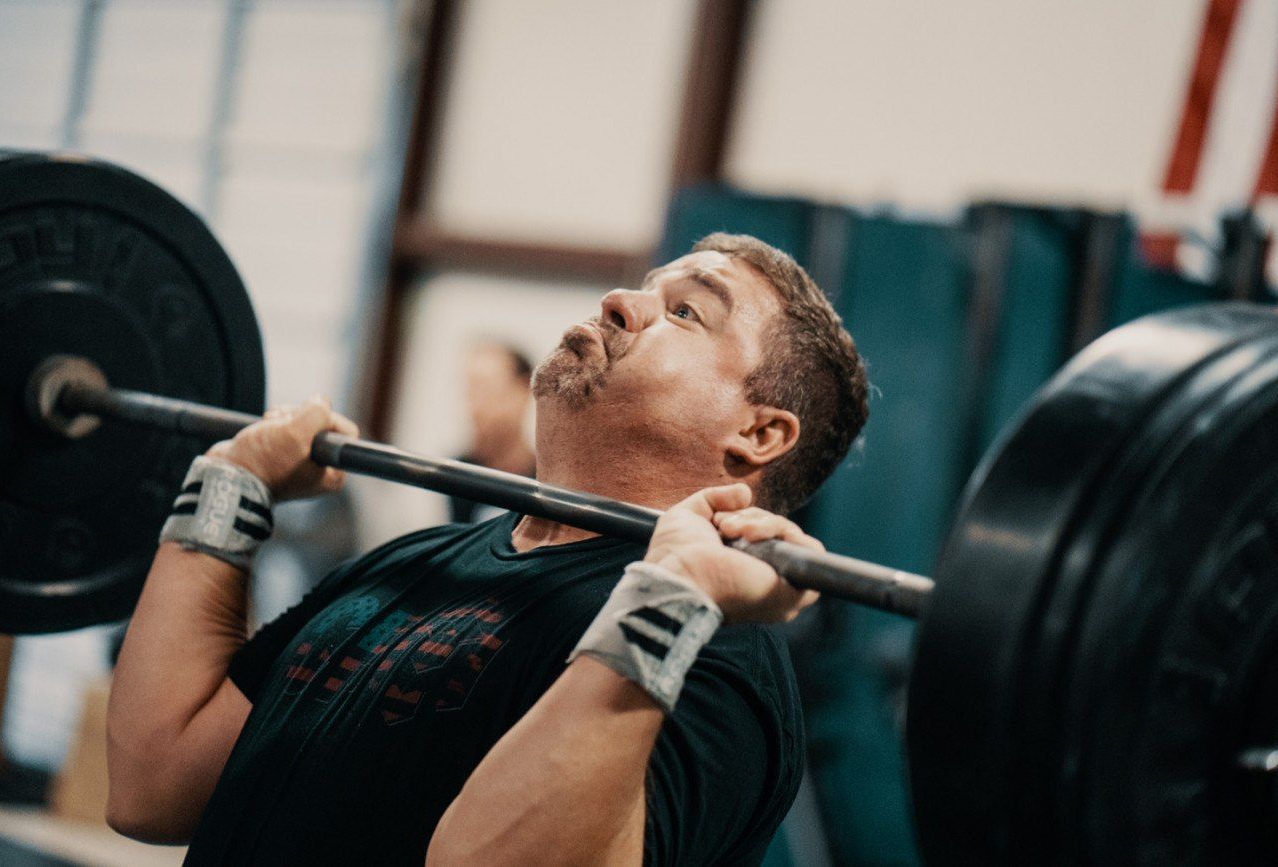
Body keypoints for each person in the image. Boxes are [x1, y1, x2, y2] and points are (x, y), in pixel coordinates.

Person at [103, 233, 869, 865]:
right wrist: (228, 487)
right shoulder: (413, 563)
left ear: (759, 432)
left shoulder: (714, 657)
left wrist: (669, 600)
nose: (619, 302)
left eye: (685, 310)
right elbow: (153, 778)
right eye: (644, 285)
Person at [446, 341, 535, 524]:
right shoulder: (455, 474)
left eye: (486, 389)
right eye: (471, 391)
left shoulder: (547, 482)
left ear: (523, 390)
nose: (475, 408)